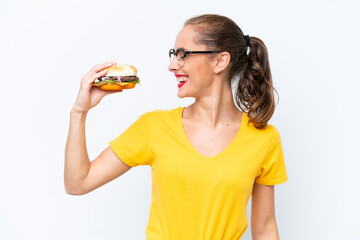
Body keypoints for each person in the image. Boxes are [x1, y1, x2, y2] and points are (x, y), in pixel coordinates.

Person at [65, 14, 288, 240]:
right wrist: (79, 112)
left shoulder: (264, 139)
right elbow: (78, 183)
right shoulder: (154, 127)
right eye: (173, 55)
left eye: (182, 54)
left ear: (220, 61)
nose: (172, 65)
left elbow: (265, 229)